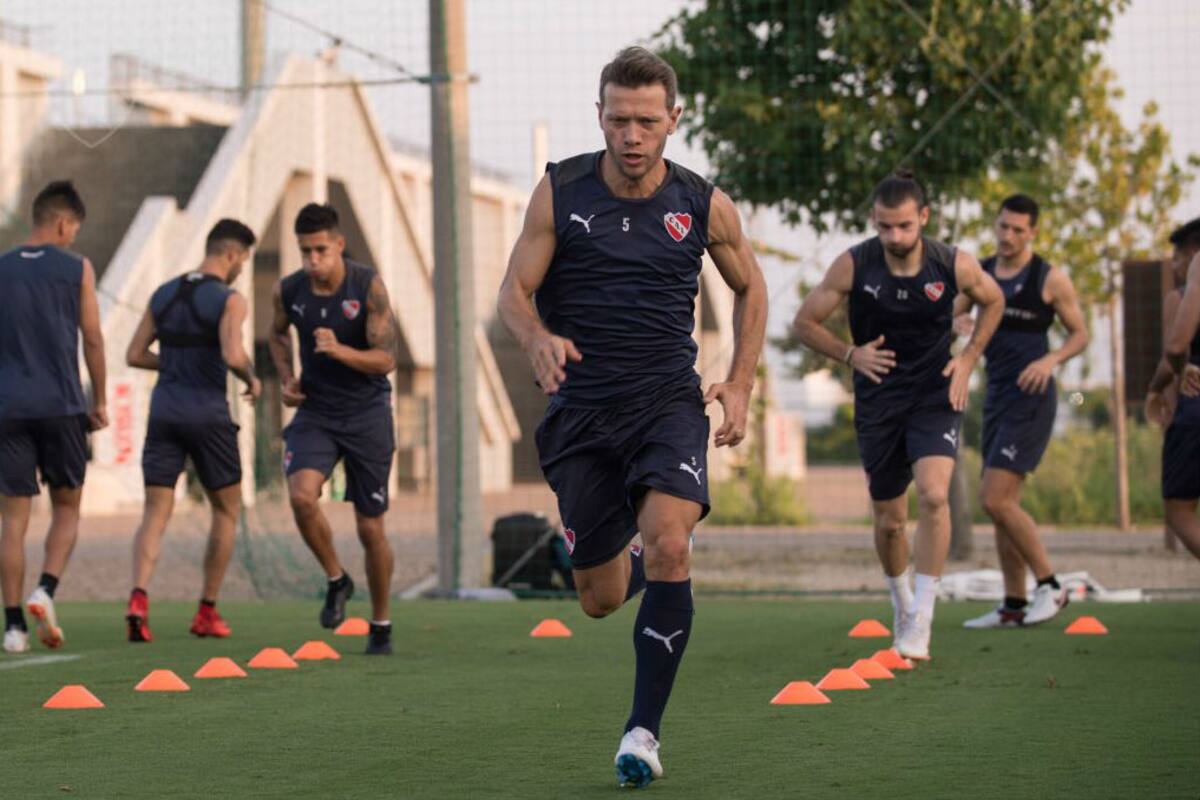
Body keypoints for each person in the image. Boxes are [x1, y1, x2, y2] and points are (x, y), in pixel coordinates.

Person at [497, 46, 767, 789]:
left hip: (666, 405)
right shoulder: (560, 192)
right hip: (582, 414)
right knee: (601, 599)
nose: (632, 135)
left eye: (647, 121)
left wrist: (741, 382)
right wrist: (535, 337)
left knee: (672, 544)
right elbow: (513, 293)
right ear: (599, 116)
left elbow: (751, 287)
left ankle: (643, 732)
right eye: (619, 120)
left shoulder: (702, 204)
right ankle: (641, 551)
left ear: (674, 119)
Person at [792, 170, 1004, 661]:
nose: (895, 236)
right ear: (874, 220)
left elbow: (994, 301)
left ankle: (923, 617)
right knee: (890, 522)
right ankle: (902, 602)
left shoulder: (953, 263)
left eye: (905, 226)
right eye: (885, 226)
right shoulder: (854, 264)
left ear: (923, 218)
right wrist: (850, 355)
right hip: (879, 402)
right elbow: (805, 322)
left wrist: (968, 359)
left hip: (934, 395)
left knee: (933, 495)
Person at [269, 203, 400, 655]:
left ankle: (380, 623)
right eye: (305, 251)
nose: (313, 260)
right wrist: (287, 377)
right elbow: (276, 333)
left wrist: (340, 350)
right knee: (301, 496)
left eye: (320, 250)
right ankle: (336, 578)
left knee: (370, 528)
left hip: (367, 414)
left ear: (339, 245)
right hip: (317, 413)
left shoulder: (367, 286)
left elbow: (386, 360)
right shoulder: (289, 290)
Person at [123, 219, 261, 642]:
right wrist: (252, 379)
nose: (241, 269)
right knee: (226, 510)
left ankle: (138, 601)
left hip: (164, 411)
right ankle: (206, 611)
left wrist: (173, 364)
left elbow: (135, 354)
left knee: (155, 512)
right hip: (207, 415)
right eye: (243, 261)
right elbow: (232, 353)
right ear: (232, 254)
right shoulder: (231, 300)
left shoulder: (163, 293)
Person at [956, 195, 1089, 629]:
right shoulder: (981, 273)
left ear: (1032, 232)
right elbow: (952, 314)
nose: (1008, 236)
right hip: (995, 397)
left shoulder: (1049, 279)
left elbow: (1080, 334)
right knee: (1002, 506)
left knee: (994, 498)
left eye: (1018, 229)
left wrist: (1051, 360)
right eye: (1003, 226)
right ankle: (1013, 605)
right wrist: (958, 323)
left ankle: (1050, 586)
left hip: (1031, 400)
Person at [1, 180, 107, 654]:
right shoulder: (76, 267)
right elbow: (93, 338)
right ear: (64, 224)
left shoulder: (2, 269)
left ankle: (13, 628)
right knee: (66, 508)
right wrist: (99, 400)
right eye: (74, 229)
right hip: (62, 407)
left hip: (9, 408)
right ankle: (44, 589)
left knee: (12, 519)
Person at [1146, 219, 1200, 560]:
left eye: (1177, 258)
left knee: (1179, 510)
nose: (1175, 267)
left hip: (1195, 406)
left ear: (1192, 251)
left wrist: (1158, 391)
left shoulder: (1182, 293)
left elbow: (1176, 350)